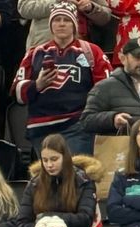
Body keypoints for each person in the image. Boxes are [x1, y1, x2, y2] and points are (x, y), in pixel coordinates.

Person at [12, 5, 110, 155]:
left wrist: (90, 116)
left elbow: (105, 89)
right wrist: (37, 85)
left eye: (66, 20)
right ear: (51, 25)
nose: (62, 24)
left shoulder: (91, 51)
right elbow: (17, 93)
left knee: (78, 175)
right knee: (49, 176)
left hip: (77, 126)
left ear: (75, 25)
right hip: (41, 127)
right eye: (57, 20)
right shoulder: (35, 53)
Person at [15, 136, 97, 227]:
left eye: (54, 159)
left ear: (65, 157)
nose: (49, 165)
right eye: (45, 160)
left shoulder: (83, 182)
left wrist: (46, 219)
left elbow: (85, 220)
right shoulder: (34, 184)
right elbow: (21, 226)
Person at [81, 36, 140, 147]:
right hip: (121, 158)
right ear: (123, 58)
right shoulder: (105, 87)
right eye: (136, 57)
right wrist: (112, 119)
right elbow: (86, 121)